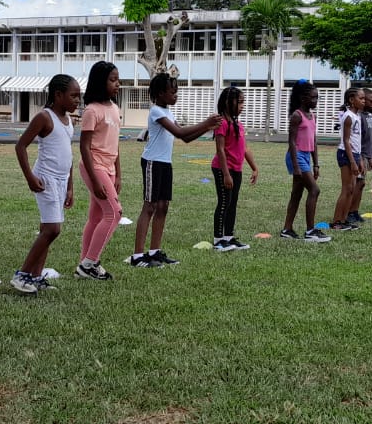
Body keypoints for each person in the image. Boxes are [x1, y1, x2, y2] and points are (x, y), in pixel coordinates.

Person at [131, 73, 221, 267]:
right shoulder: (156, 111)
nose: (176, 95)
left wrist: (208, 127)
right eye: (173, 92)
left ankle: (155, 252)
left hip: (165, 163)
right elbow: (179, 132)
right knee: (150, 207)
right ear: (161, 93)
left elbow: (185, 138)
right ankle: (137, 256)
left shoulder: (168, 112)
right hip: (152, 162)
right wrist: (206, 123)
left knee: (163, 206)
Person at [12, 75, 80, 293]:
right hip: (45, 179)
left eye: (79, 96)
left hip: (61, 181)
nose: (77, 100)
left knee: (46, 229)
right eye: (74, 96)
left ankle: (35, 276)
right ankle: (22, 274)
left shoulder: (68, 120)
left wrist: (70, 186)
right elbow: (21, 146)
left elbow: (67, 154)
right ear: (58, 95)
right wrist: (30, 177)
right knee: (52, 229)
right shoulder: (44, 117)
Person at [77, 61, 123, 280]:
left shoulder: (114, 109)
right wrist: (95, 180)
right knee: (114, 213)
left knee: (96, 217)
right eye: (112, 80)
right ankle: (89, 263)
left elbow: (115, 145)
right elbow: (84, 146)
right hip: (94, 167)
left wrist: (118, 173)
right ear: (99, 82)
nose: (117, 84)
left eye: (117, 79)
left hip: (109, 168)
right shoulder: (91, 110)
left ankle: (83, 264)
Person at [210, 86, 258, 251]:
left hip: (236, 170)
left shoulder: (238, 125)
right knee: (224, 202)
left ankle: (229, 237)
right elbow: (220, 150)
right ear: (229, 102)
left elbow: (245, 149)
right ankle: (218, 240)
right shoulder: (221, 123)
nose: (243, 105)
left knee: (233, 203)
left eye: (244, 102)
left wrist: (254, 168)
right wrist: (226, 174)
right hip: (223, 169)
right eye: (240, 102)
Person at [280, 80, 328, 241]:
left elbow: (313, 141)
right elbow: (292, 142)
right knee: (314, 190)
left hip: (306, 156)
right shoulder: (296, 115)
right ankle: (310, 231)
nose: (315, 101)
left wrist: (316, 163)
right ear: (303, 98)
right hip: (297, 156)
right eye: (313, 98)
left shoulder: (312, 115)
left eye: (317, 98)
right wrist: (296, 165)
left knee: (297, 194)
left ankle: (287, 229)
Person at [330, 87, 365, 231]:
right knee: (346, 189)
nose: (364, 101)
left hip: (355, 154)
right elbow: (346, 140)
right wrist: (352, 161)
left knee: (352, 189)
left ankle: (344, 220)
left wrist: (360, 159)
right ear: (351, 100)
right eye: (361, 98)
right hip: (346, 154)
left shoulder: (357, 116)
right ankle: (337, 221)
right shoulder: (348, 116)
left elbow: (357, 140)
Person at [350, 89, 372, 223]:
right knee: (357, 183)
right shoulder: (357, 116)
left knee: (361, 183)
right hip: (359, 154)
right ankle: (350, 211)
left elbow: (369, 138)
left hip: (366, 154)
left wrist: (370, 156)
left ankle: (354, 211)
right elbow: (355, 139)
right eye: (368, 100)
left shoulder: (369, 116)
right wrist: (359, 157)